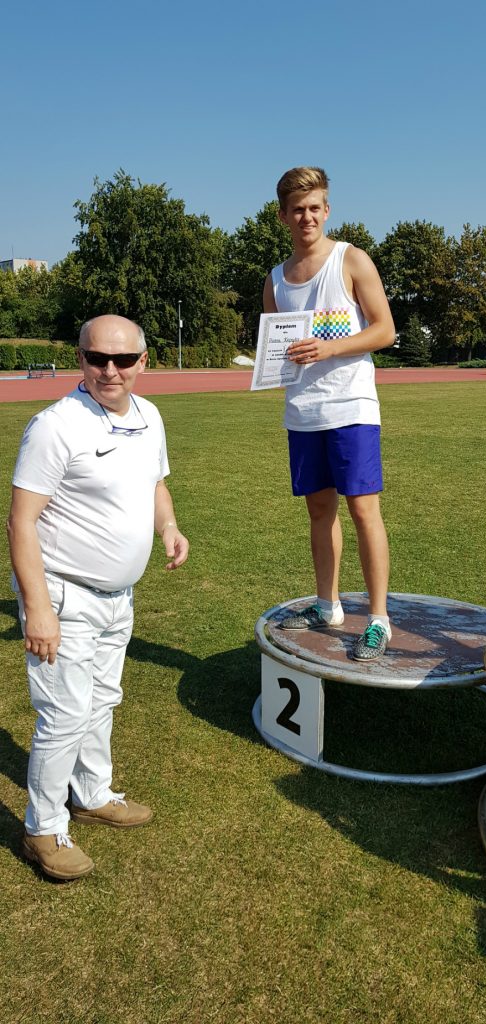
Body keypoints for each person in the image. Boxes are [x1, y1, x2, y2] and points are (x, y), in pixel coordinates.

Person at [7, 314, 189, 880]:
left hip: (119, 595)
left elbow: (155, 484)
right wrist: (39, 608)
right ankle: (43, 827)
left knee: (103, 699)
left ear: (144, 362)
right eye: (97, 358)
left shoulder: (149, 416)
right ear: (79, 359)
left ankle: (91, 794)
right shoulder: (55, 426)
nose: (111, 370)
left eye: (124, 359)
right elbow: (20, 522)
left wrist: (168, 527)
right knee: (63, 714)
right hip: (64, 595)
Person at [263, 167, 395, 660]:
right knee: (319, 511)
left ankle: (378, 620)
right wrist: (271, 365)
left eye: (315, 207)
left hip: (351, 406)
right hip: (303, 412)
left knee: (363, 510)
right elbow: (277, 346)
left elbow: (384, 330)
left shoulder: (351, 259)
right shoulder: (276, 280)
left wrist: (329, 348)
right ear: (283, 216)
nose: (307, 217)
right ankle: (327, 606)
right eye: (298, 209)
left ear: (327, 210)